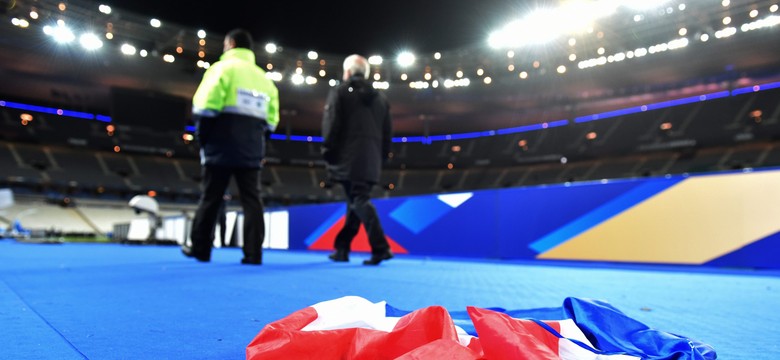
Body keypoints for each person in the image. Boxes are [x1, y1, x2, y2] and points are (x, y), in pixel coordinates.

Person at [182, 28, 279, 265]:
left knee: (211, 197)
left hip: (220, 144)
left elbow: (204, 107)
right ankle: (254, 254)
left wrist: (202, 140)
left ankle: (201, 249)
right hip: (251, 148)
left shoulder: (221, 69)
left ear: (231, 44)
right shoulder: (265, 79)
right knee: (252, 200)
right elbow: (272, 120)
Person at [321, 54, 394, 266]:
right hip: (372, 160)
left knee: (358, 200)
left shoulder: (341, 92)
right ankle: (342, 248)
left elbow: (332, 124)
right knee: (354, 201)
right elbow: (388, 133)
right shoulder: (381, 98)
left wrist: (327, 150)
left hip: (348, 158)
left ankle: (381, 247)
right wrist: (382, 157)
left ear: (348, 72)